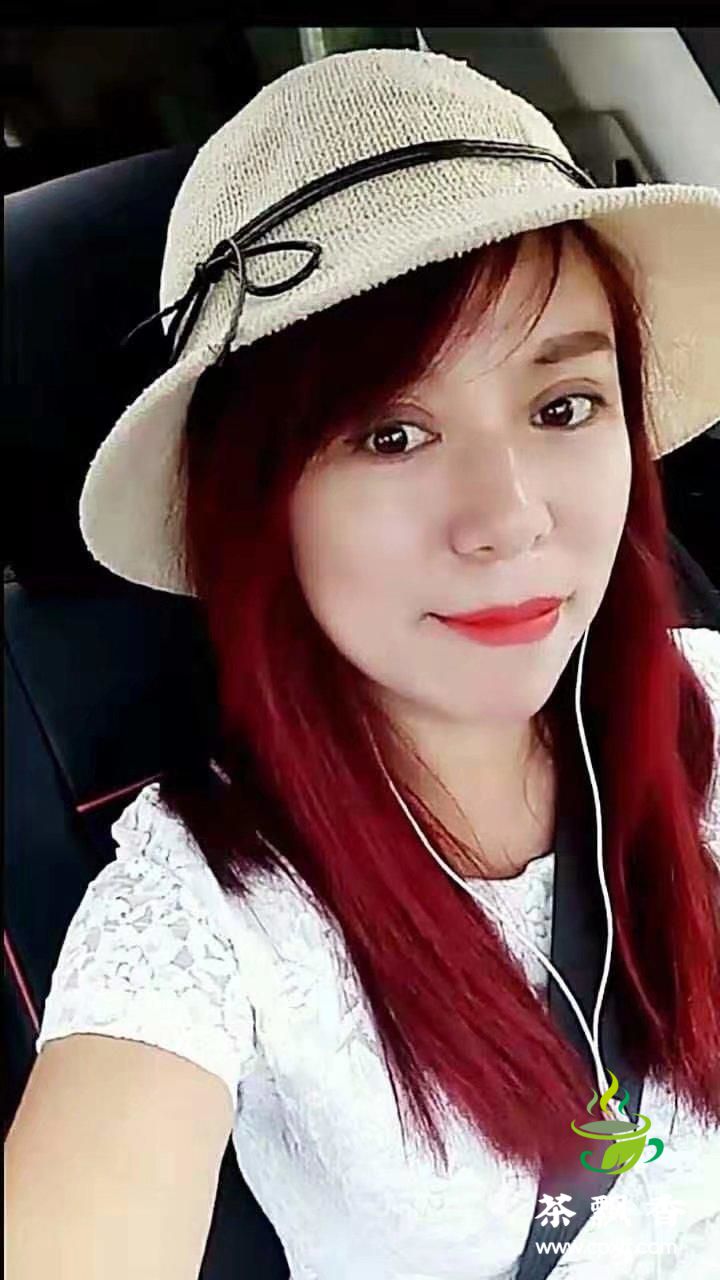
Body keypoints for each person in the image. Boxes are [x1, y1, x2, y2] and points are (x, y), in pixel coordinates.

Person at [7, 47, 720, 1280]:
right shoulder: (203, 908)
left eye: (563, 407)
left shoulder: (711, 698)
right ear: (257, 503)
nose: (508, 519)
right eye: (392, 433)